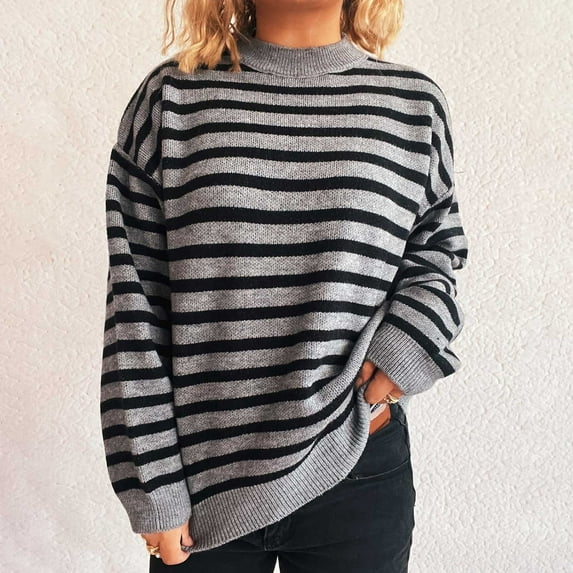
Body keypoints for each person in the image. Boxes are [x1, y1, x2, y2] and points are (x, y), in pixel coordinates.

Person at [99, 0, 469, 570]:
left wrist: (400, 356)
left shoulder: (411, 106)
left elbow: (436, 255)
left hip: (356, 468)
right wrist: (152, 486)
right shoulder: (171, 99)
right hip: (201, 486)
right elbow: (135, 307)